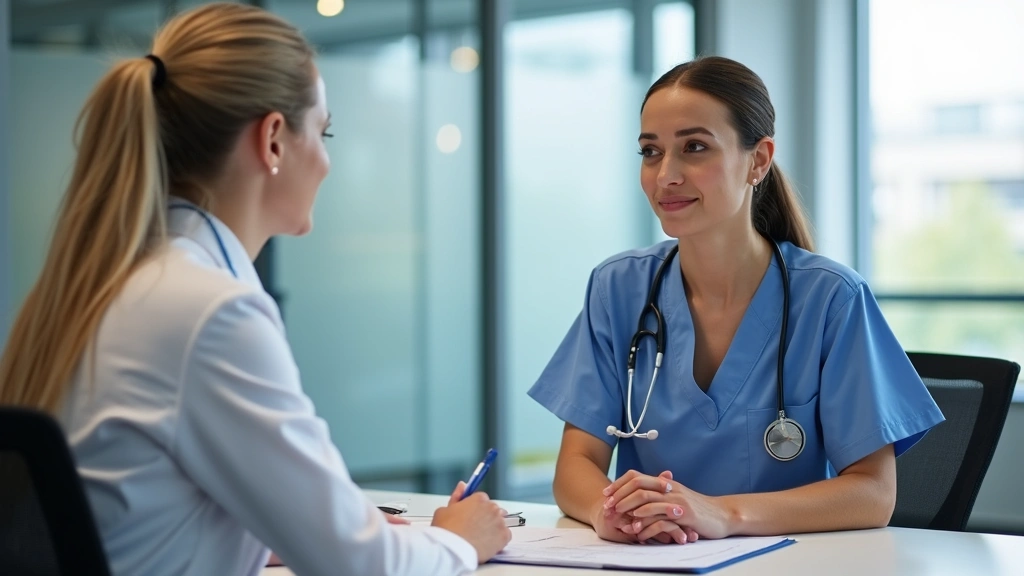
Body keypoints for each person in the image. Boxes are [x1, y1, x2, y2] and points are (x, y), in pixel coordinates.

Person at [0, 3, 510, 575]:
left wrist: (281, 532)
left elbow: (139, 513)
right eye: (323, 131)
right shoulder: (208, 312)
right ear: (272, 140)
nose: (326, 160)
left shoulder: (105, 283)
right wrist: (461, 540)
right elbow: (362, 565)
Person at [527, 56, 944, 546]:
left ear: (758, 160)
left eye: (695, 147)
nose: (666, 175)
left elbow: (873, 493)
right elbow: (576, 464)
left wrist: (720, 514)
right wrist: (610, 513)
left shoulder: (831, 299)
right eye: (650, 151)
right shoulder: (617, 289)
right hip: (658, 559)